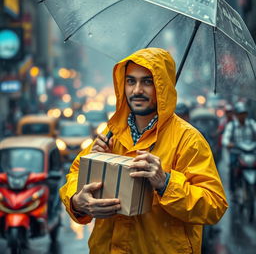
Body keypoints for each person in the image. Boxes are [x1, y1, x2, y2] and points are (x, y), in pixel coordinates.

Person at [60, 48, 227, 254]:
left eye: (147, 82)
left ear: (163, 86)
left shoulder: (188, 140)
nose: (137, 90)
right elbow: (74, 175)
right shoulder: (111, 133)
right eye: (131, 81)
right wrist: (78, 200)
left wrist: (165, 182)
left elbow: (214, 205)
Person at [222, 102, 256, 194]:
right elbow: (225, 139)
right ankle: (232, 190)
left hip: (250, 152)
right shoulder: (231, 126)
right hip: (237, 153)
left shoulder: (252, 124)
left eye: (244, 114)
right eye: (240, 114)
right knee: (232, 167)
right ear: (236, 115)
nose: (242, 116)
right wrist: (229, 144)